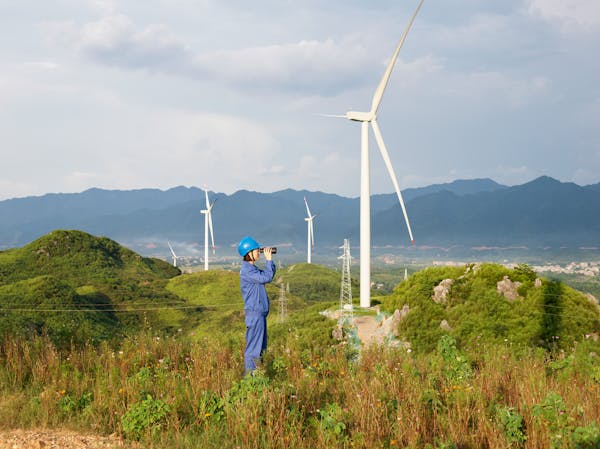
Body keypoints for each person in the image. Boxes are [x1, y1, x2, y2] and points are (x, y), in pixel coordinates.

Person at [238, 236, 276, 374]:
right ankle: (250, 380)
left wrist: (270, 262)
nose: (259, 253)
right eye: (256, 250)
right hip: (255, 314)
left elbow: (267, 275)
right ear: (249, 253)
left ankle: (257, 377)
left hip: (259, 314)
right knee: (253, 350)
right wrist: (269, 260)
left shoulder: (253, 270)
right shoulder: (248, 271)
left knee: (260, 349)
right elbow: (267, 277)